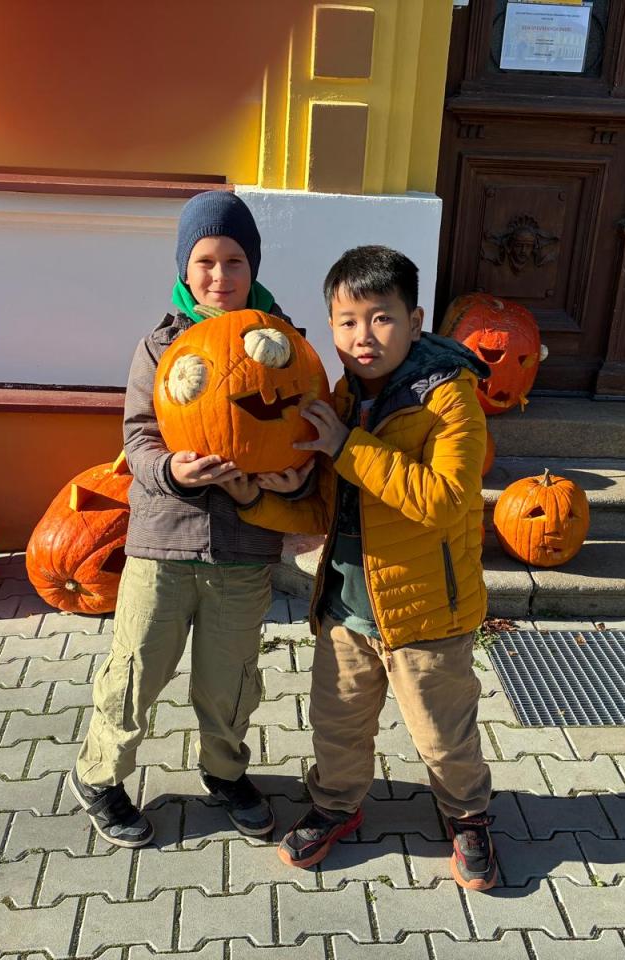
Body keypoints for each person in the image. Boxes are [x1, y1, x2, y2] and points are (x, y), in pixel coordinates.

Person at [234, 245, 499, 890]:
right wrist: (261, 497)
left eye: (381, 318)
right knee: (337, 724)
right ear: (330, 325)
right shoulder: (339, 396)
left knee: (442, 734)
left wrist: (347, 446)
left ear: (415, 320)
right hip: (347, 604)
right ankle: (335, 805)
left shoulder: (451, 400)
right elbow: (328, 505)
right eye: (347, 321)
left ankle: (467, 815)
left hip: (427, 611)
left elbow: (444, 499)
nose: (364, 336)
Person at [69, 190, 304, 848]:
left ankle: (225, 773)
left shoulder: (284, 346)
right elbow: (139, 437)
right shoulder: (160, 347)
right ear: (184, 267)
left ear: (252, 266)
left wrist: (300, 477)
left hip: (245, 546)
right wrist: (172, 470)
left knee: (231, 680)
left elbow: (300, 428)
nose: (219, 276)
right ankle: (99, 775)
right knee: (136, 671)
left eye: (234, 261)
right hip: (164, 545)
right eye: (205, 261)